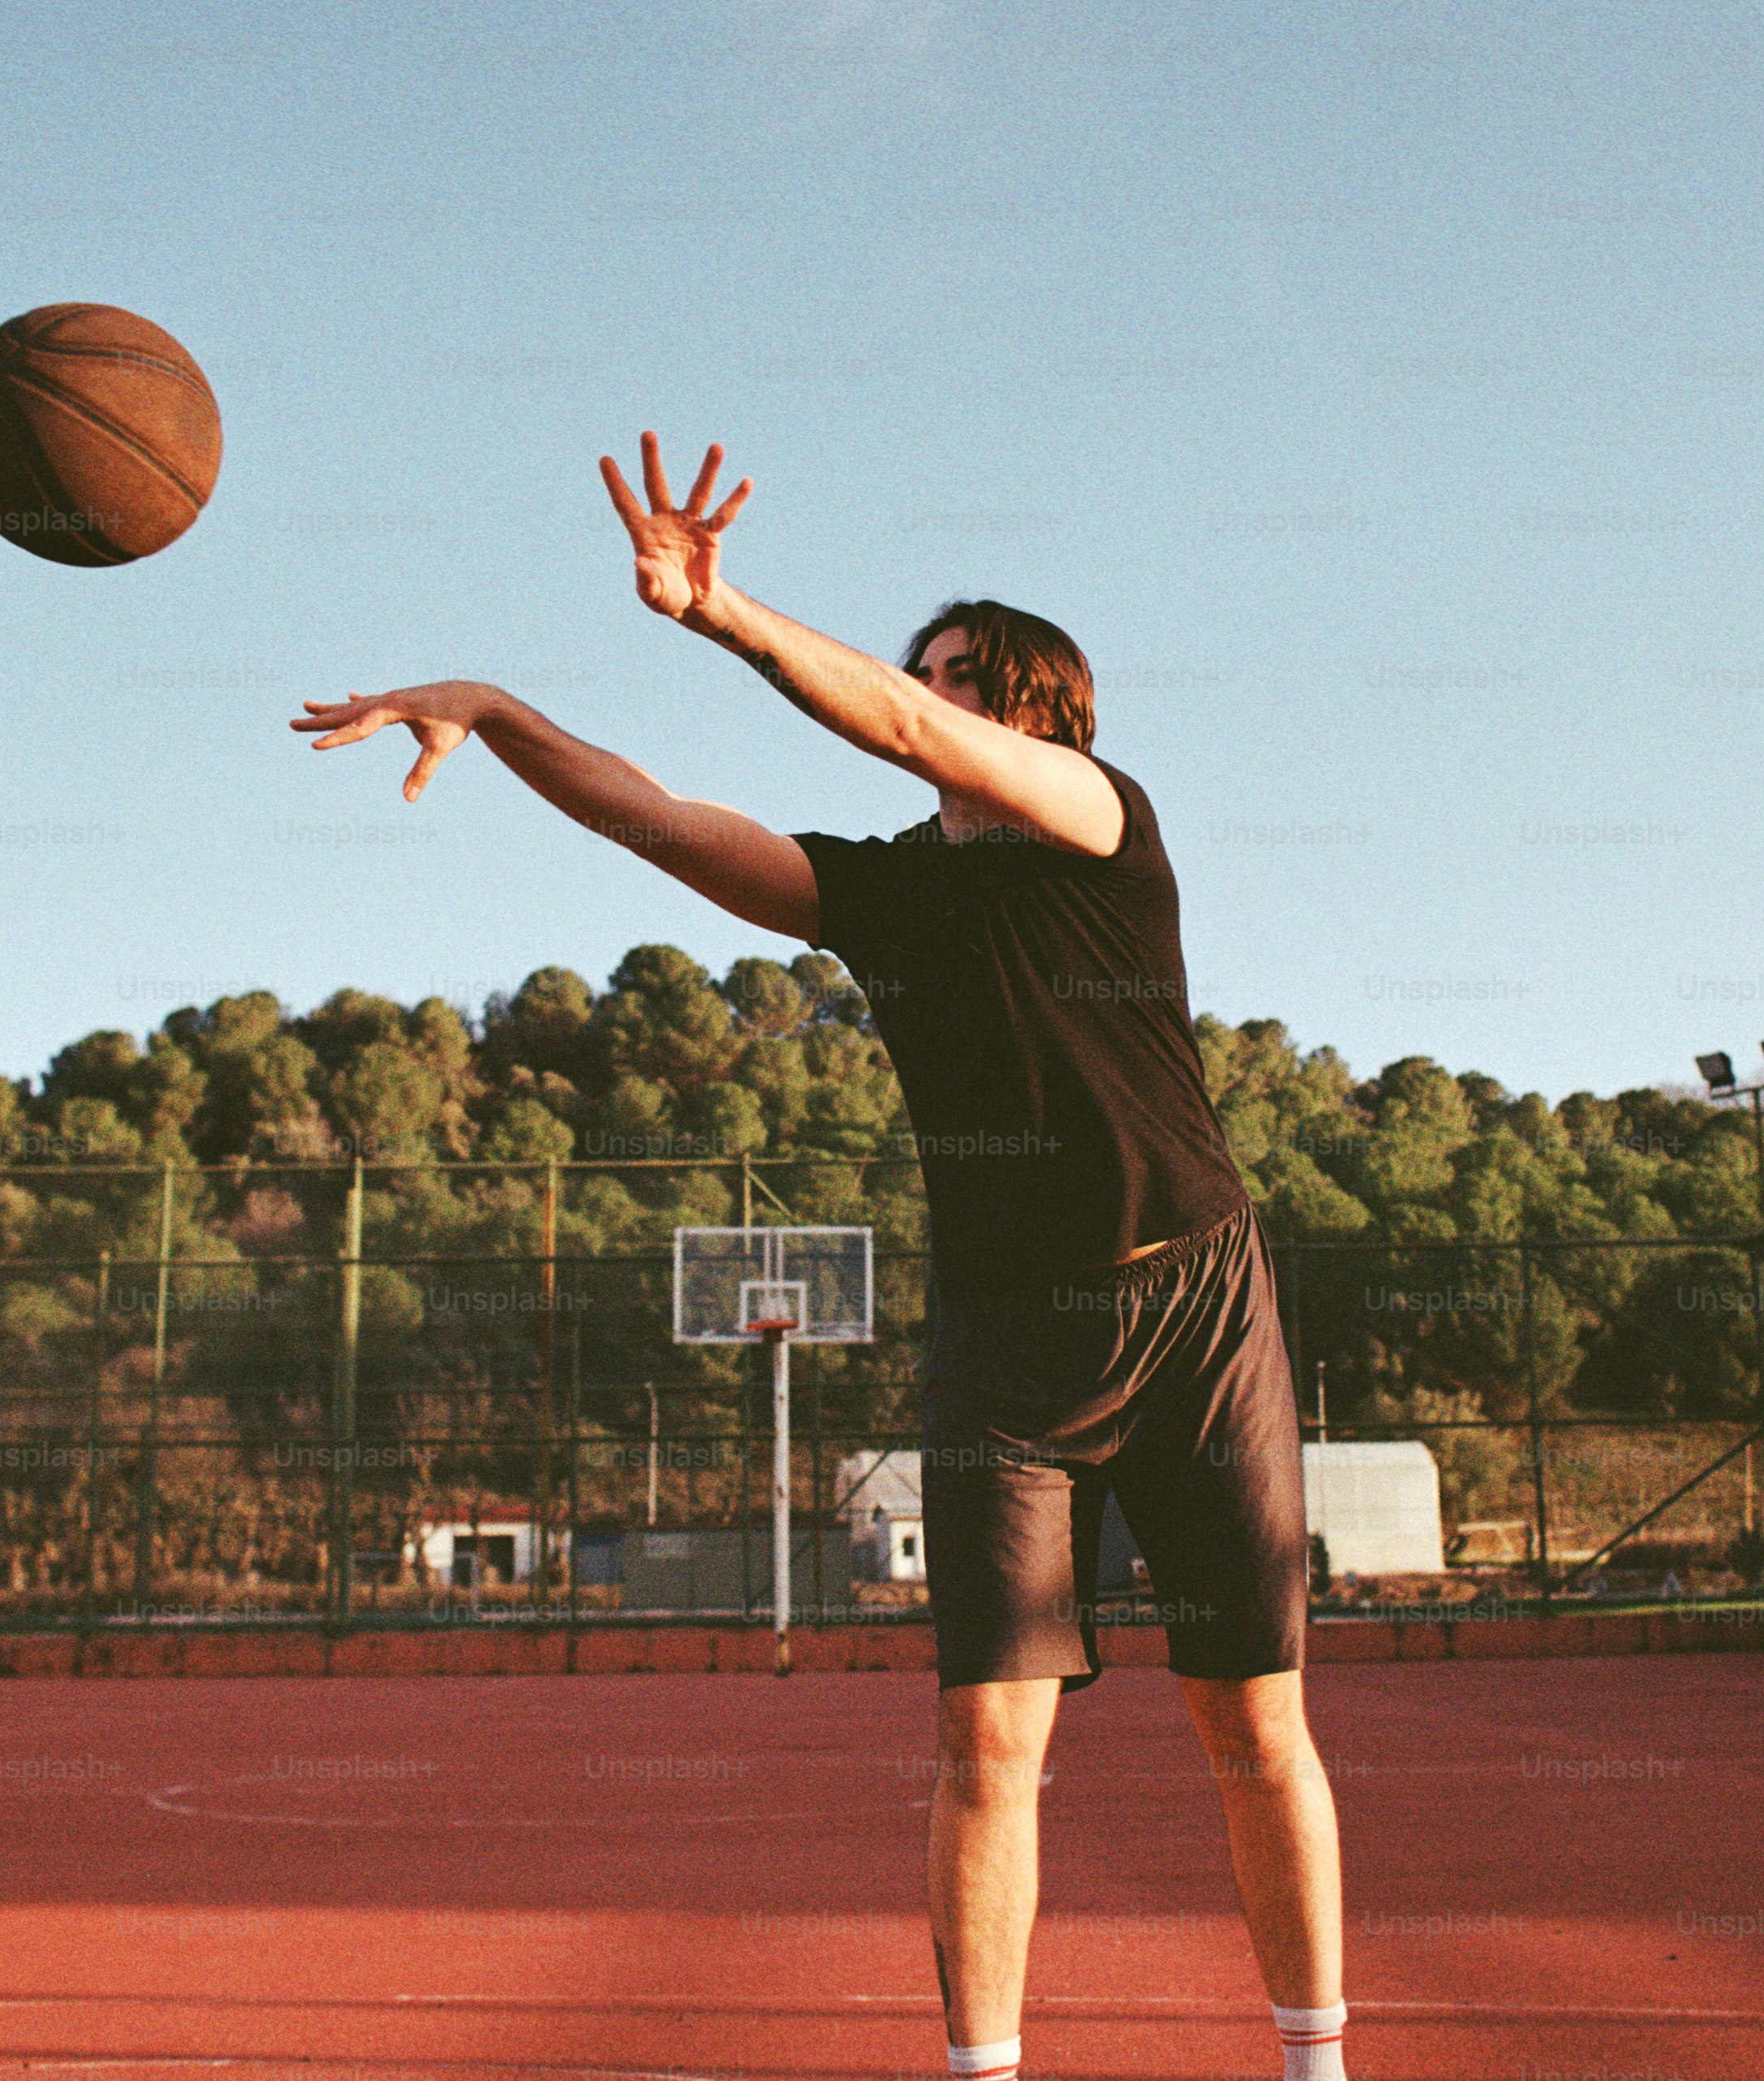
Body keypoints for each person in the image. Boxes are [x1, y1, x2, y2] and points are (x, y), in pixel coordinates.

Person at [293, 432, 1349, 2081]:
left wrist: (722, 615)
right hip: (1008, 1343)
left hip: (1196, 1303)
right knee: (988, 1733)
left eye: (955, 678)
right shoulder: (888, 894)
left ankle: (1313, 2062)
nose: (920, 698)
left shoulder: (1098, 823)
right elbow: (654, 820)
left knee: (1252, 1719)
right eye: (920, 672)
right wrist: (495, 712)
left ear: (1042, 706)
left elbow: (916, 726)